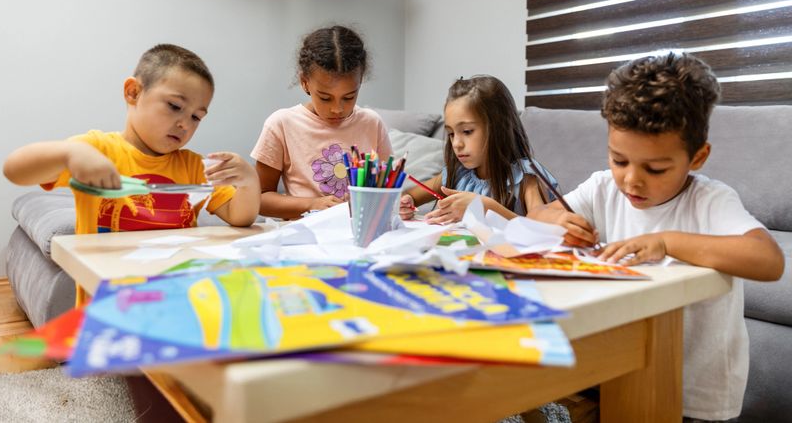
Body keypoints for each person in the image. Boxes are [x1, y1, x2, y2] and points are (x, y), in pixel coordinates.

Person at [531, 52, 784, 422]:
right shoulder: (603, 187)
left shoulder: (709, 201)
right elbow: (537, 216)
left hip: (694, 394)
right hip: (622, 370)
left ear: (697, 158)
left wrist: (666, 242)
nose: (632, 181)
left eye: (655, 168)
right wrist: (559, 222)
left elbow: (768, 261)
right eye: (619, 160)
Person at [3, 43, 260, 234]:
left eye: (196, 117)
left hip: (174, 280)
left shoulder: (194, 167)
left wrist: (249, 181)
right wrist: (70, 154)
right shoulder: (97, 149)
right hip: (106, 281)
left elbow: (239, 217)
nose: (185, 124)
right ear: (133, 92)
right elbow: (14, 170)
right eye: (174, 106)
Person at [252, 25, 392, 220]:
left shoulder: (372, 123)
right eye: (325, 98)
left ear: (360, 82)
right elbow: (259, 198)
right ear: (304, 82)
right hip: (306, 233)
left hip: (361, 230)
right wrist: (311, 205)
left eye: (349, 97)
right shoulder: (281, 124)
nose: (337, 109)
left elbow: (387, 188)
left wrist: (396, 202)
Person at [400, 75, 558, 223]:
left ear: (499, 129)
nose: (456, 144)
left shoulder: (525, 178)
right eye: (451, 134)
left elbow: (540, 229)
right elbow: (410, 195)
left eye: (467, 131)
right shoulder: (457, 174)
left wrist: (486, 207)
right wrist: (407, 203)